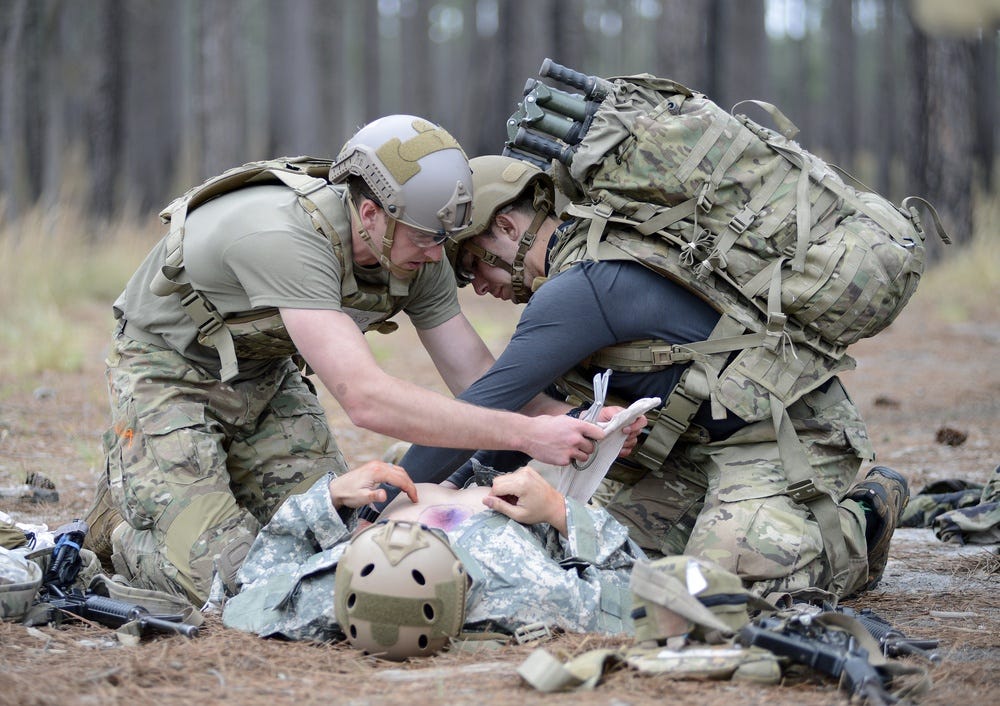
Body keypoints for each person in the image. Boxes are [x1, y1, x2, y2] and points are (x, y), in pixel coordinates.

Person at [81, 117, 609, 608]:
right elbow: (364, 397)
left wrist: (570, 423)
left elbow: (475, 373)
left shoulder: (416, 245)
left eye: (445, 238)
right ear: (371, 213)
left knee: (338, 546)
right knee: (227, 583)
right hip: (167, 373)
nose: (436, 255)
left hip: (264, 376)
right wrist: (523, 435)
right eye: (426, 237)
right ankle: (121, 530)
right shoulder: (286, 237)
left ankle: (190, 496)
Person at [392, 155, 910, 602]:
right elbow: (512, 423)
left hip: (784, 439)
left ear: (506, 228)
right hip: (693, 454)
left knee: (718, 594)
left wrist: (372, 517)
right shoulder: (581, 271)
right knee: (596, 564)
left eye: (472, 265)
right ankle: (759, 525)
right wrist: (460, 488)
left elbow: (487, 408)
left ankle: (862, 523)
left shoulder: (580, 287)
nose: (477, 286)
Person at [221, 461, 643, 658]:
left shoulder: (322, 598)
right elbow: (642, 592)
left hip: (407, 472)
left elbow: (252, 586)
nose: (406, 540)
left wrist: (329, 499)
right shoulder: (531, 590)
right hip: (522, 481)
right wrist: (558, 509)